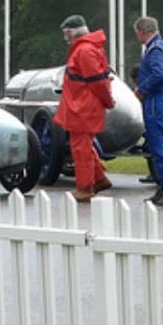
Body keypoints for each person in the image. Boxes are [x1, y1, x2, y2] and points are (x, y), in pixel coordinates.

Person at [53, 15, 115, 202]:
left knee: (81, 148)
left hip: (82, 107)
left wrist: (108, 100)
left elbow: (98, 82)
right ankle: (99, 179)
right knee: (83, 146)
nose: (66, 37)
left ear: (73, 31)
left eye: (67, 33)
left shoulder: (84, 50)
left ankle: (85, 187)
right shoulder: (86, 49)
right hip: (81, 106)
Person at [133, 16, 163, 207]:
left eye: (137, 33)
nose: (137, 37)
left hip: (156, 101)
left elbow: (158, 75)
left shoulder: (156, 49)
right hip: (162, 98)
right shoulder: (162, 47)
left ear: (143, 31)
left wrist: (141, 90)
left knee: (159, 145)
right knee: (158, 143)